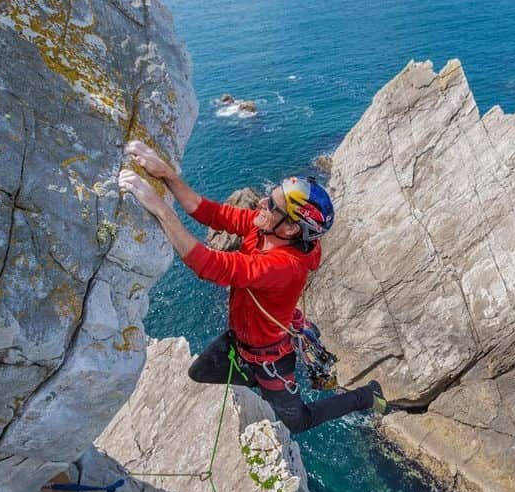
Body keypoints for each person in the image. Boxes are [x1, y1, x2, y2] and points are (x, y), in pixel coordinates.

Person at [118, 141, 390, 434]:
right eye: (268, 196)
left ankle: (366, 395)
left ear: (289, 229)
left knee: (298, 422)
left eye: (271, 205)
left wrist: (161, 210)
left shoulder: (285, 266)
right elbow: (211, 213)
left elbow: (211, 266)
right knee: (200, 373)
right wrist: (167, 175)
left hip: (269, 357)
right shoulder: (263, 228)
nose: (260, 202)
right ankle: (255, 380)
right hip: (243, 341)